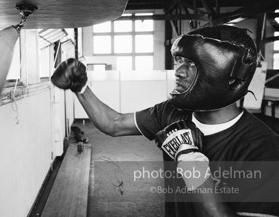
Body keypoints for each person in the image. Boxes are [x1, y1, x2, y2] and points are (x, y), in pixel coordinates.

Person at [51, 25, 279, 217]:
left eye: (192, 65)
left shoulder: (263, 149)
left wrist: (195, 171)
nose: (178, 72)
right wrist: (80, 87)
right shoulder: (172, 112)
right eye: (180, 62)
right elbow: (114, 123)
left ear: (223, 72)